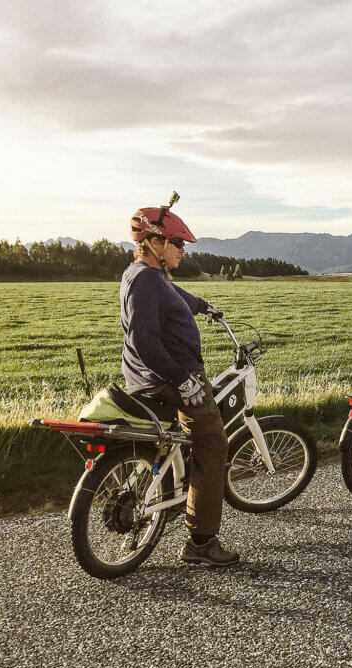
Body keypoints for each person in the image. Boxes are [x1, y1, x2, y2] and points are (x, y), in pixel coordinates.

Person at [120, 198, 239, 566]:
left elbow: (175, 297)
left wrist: (203, 305)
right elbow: (144, 341)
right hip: (170, 378)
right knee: (213, 443)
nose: (182, 250)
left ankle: (177, 490)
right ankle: (201, 542)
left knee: (191, 437)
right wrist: (181, 379)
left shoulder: (151, 276)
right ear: (156, 243)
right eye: (177, 243)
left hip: (158, 377)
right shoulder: (145, 280)